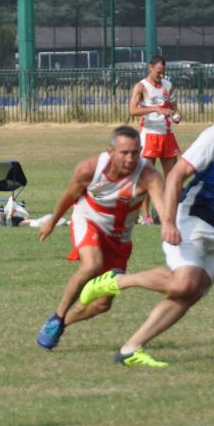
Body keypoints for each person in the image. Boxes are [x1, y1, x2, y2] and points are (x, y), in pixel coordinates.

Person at [79, 75, 214, 367]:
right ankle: (116, 281)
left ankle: (130, 349)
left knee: (190, 293)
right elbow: (177, 174)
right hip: (192, 218)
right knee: (184, 284)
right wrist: (168, 221)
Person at [35, 126, 166, 350]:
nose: (130, 159)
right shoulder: (89, 169)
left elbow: (163, 208)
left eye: (135, 152)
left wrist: (169, 225)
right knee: (91, 265)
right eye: (124, 153)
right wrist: (52, 222)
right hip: (89, 219)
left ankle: (62, 324)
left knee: (102, 304)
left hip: (120, 236)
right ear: (110, 151)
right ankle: (57, 316)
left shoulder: (149, 175)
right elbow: (69, 195)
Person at [128, 55, 181, 224]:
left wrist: (177, 115)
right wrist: (155, 109)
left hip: (167, 134)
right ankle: (146, 216)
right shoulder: (141, 86)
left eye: (163, 72)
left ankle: (168, 212)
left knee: (172, 177)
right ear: (150, 68)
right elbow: (132, 110)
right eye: (158, 72)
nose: (161, 75)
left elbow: (174, 108)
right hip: (150, 134)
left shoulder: (168, 85)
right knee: (147, 177)